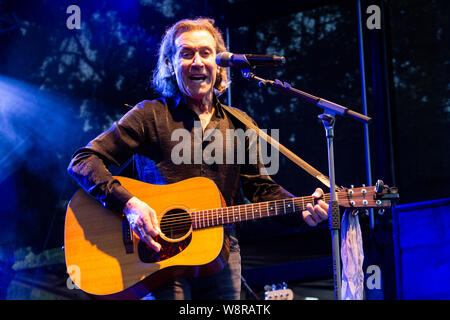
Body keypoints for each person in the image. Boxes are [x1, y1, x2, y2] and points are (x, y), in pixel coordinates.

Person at [67, 17, 329, 300]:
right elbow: (83, 161)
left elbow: (261, 189)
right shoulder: (150, 115)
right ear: (170, 63)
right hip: (156, 254)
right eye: (186, 53)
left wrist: (301, 210)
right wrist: (129, 205)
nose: (197, 62)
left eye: (206, 53)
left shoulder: (239, 123)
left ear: (219, 64)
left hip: (221, 252)